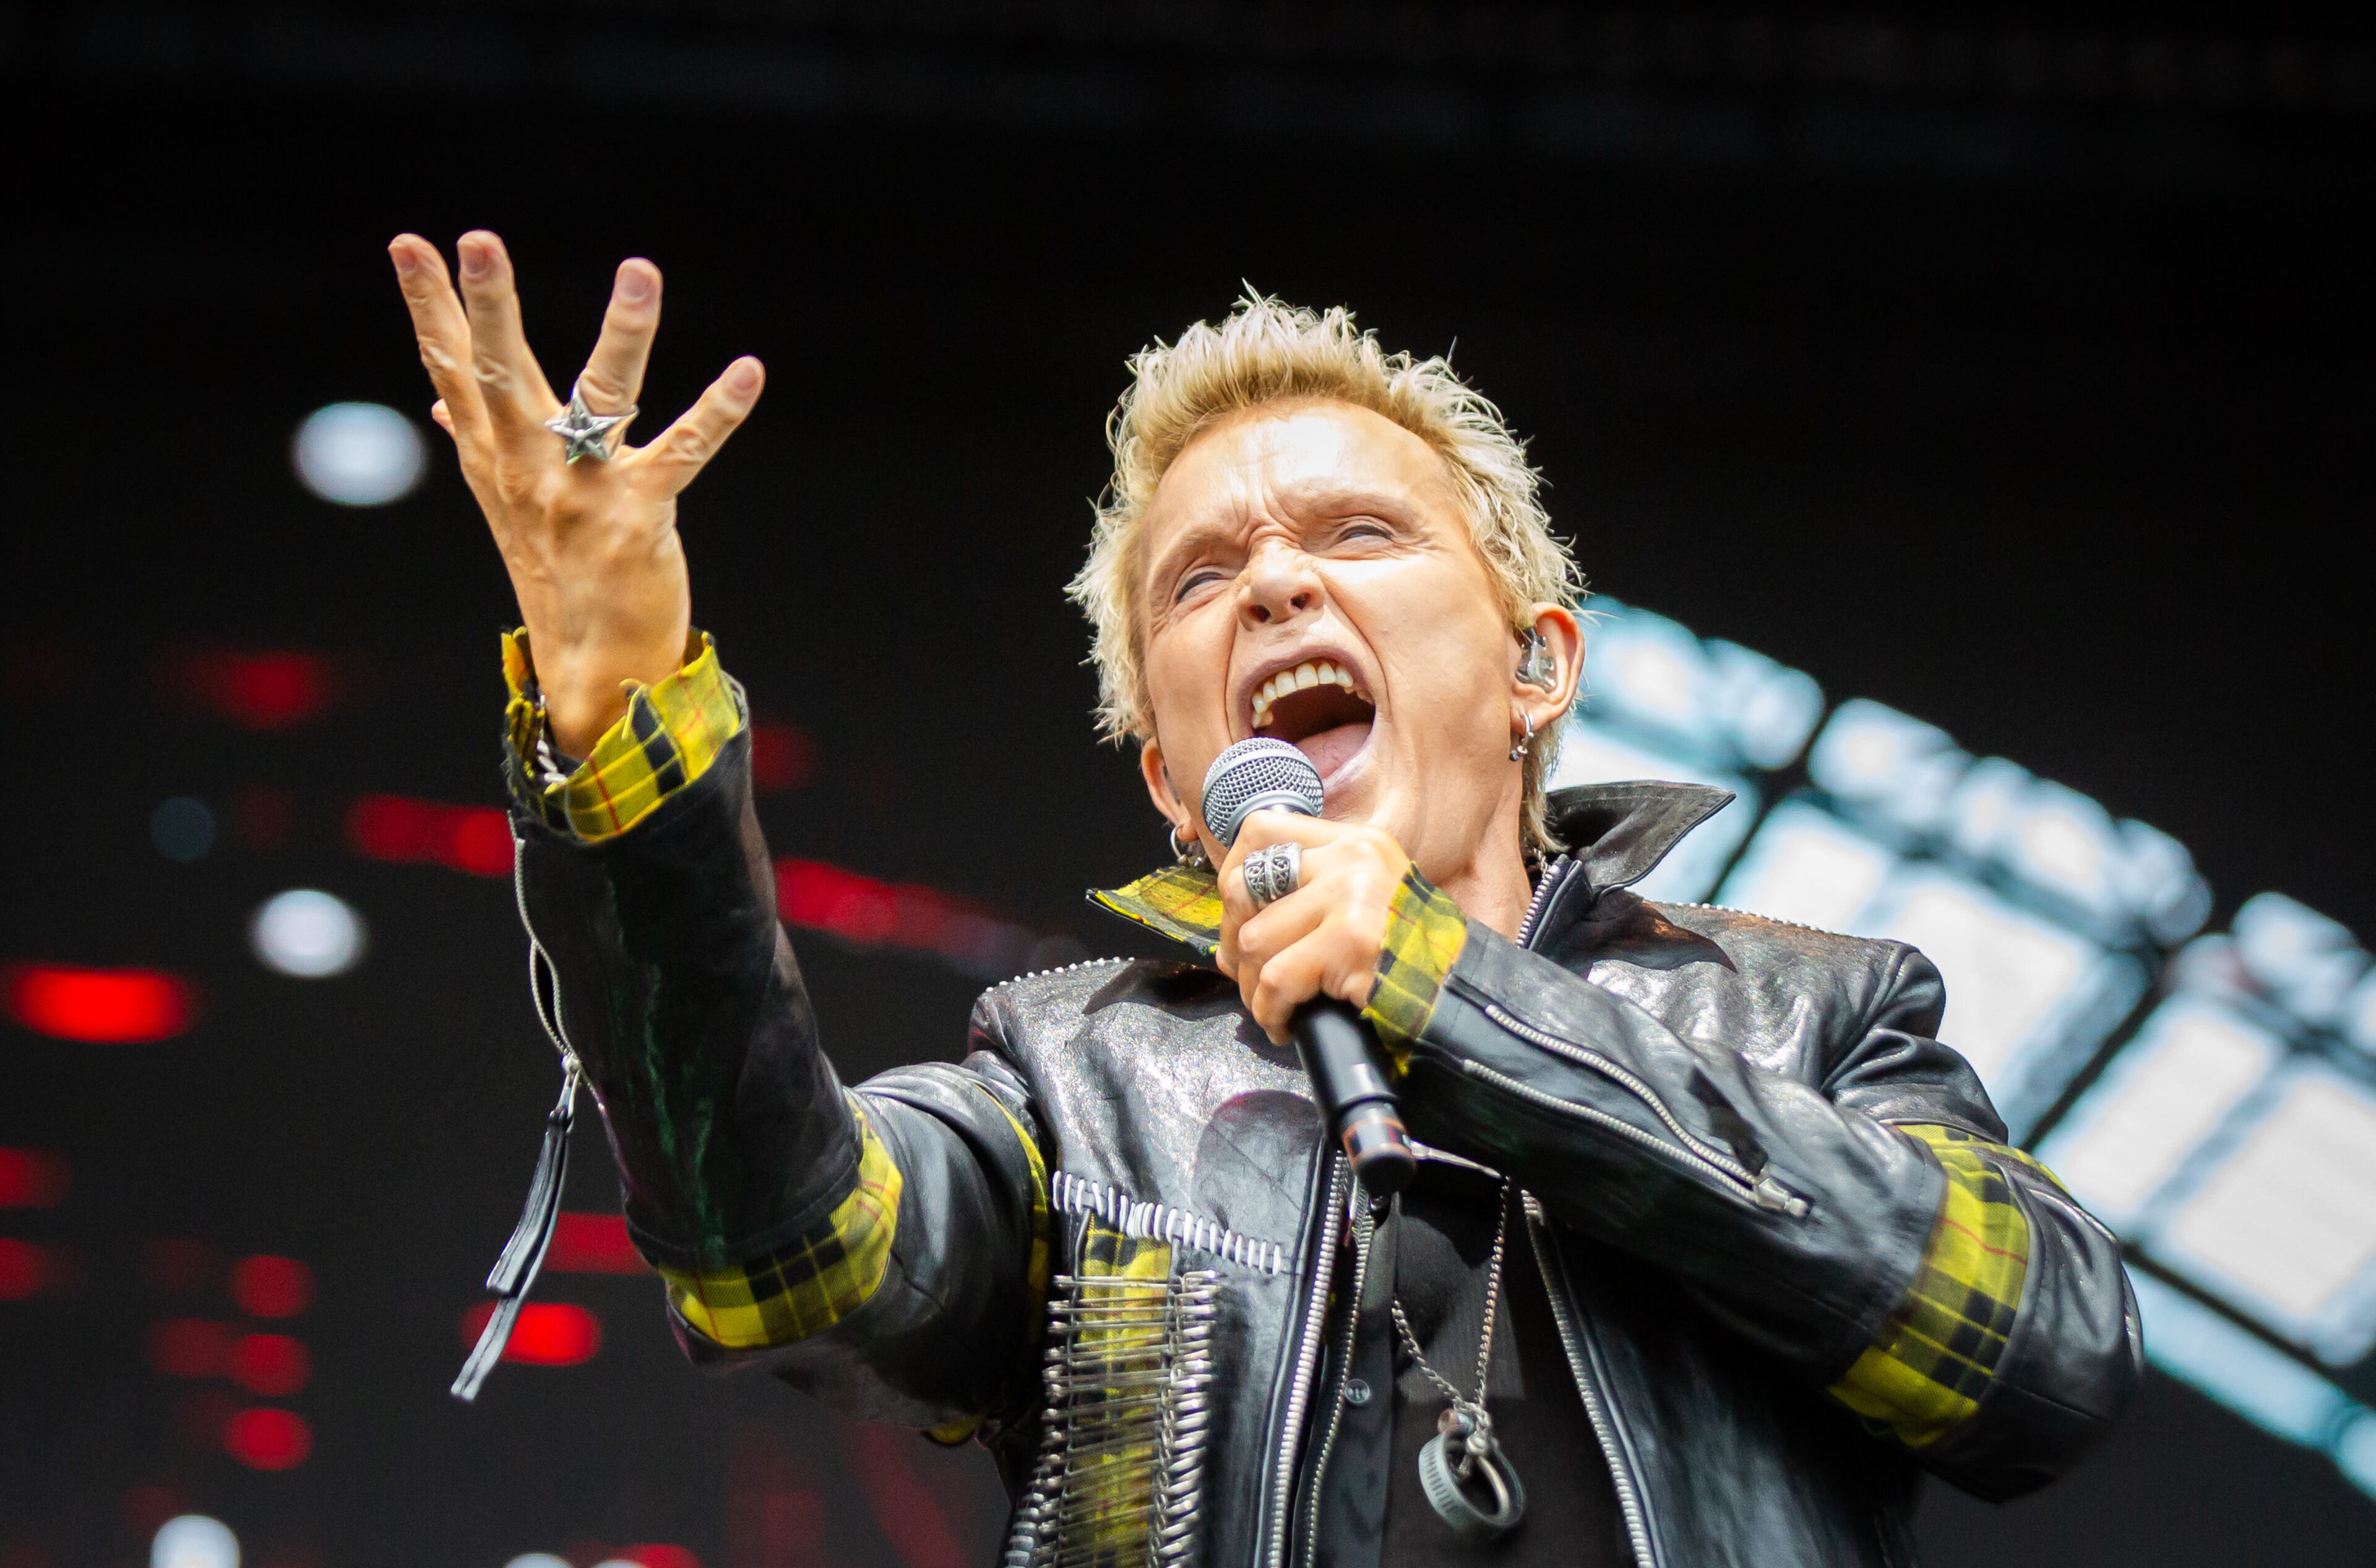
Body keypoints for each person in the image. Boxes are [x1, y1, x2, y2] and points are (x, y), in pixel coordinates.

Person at [389, 230, 2140, 1568]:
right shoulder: (1067, 1081)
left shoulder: (1813, 1012)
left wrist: (1452, 997)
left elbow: (2035, 1359)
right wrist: (621, 719)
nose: (1279, 582)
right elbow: (786, 1255)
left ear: (1539, 667)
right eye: (1203, 577)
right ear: (1170, 774)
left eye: (1358, 536)